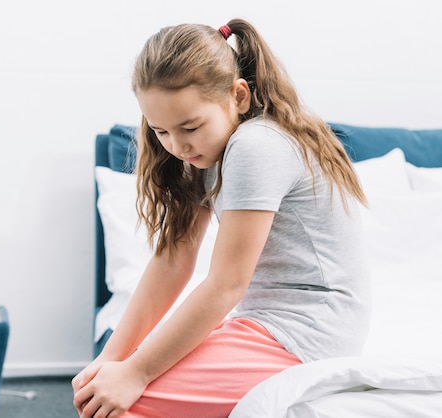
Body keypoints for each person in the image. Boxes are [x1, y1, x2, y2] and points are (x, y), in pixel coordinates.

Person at [73, 18, 371, 418]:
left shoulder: (256, 145)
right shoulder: (208, 151)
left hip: (307, 333)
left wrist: (136, 375)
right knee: (104, 388)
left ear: (239, 96)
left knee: (120, 405)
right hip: (267, 324)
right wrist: (111, 361)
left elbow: (227, 284)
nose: (177, 146)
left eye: (190, 127)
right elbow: (174, 260)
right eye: (160, 131)